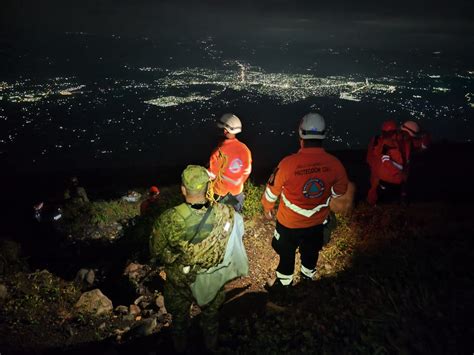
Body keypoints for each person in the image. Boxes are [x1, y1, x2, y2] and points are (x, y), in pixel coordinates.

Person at [150, 165, 248, 352]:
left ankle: (181, 348)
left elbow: (156, 250)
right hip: (211, 278)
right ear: (207, 188)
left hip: (180, 282)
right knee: (211, 318)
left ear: (183, 189)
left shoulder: (169, 218)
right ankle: (210, 347)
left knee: (179, 321)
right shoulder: (226, 213)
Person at [261, 112, 350, 293]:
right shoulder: (335, 164)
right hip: (317, 222)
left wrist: (267, 209)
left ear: (301, 135)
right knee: (311, 251)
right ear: (323, 135)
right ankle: (308, 276)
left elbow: (271, 193)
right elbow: (340, 190)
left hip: (289, 223)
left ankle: (284, 283)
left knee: (286, 252)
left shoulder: (288, 164)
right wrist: (325, 196)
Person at [208, 113, 252, 213]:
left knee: (220, 220)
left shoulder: (219, 151)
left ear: (225, 130)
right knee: (236, 217)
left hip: (220, 193)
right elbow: (247, 171)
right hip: (237, 192)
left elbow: (211, 174)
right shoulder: (245, 149)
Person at [366, 120, 408, 205]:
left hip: (376, 177)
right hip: (390, 179)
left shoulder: (376, 140)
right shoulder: (392, 144)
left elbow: (369, 158)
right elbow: (397, 165)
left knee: (374, 197)